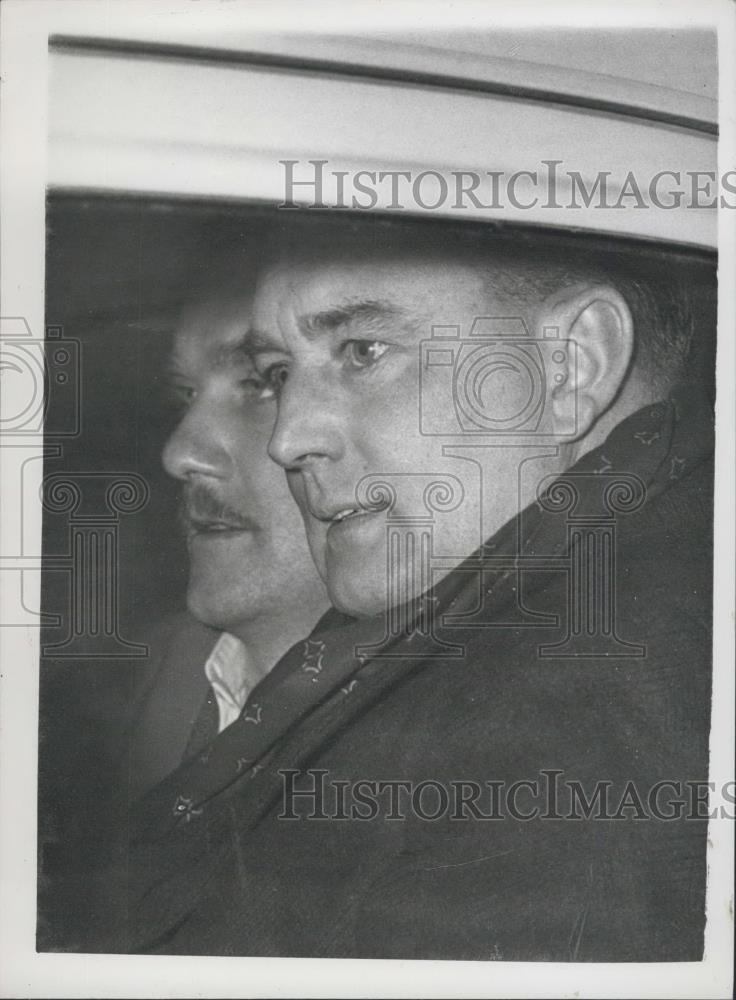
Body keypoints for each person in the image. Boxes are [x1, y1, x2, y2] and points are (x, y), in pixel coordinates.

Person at [126, 218, 714, 961]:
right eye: (280, 374)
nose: (287, 439)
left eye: (363, 352)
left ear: (571, 365)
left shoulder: (563, 734)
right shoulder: (506, 639)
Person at [40, 270, 331, 951]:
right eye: (184, 394)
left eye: (263, 381)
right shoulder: (125, 691)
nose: (181, 453)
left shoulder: (455, 729)